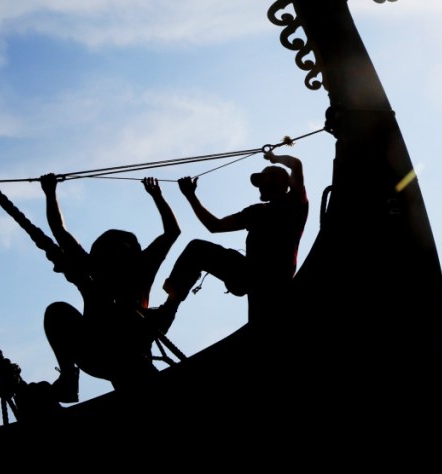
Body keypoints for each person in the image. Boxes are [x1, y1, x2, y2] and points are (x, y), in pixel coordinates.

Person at [40, 174, 180, 403]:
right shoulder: (106, 268)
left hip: (126, 350)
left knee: (57, 312)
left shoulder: (133, 268)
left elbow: (172, 232)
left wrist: (50, 192)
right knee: (57, 312)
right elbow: (59, 231)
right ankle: (68, 378)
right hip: (100, 350)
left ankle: (68, 377)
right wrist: (50, 193)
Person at [157, 150, 307, 328]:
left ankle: (167, 312)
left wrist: (274, 158)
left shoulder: (295, 202)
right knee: (197, 249)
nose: (259, 186)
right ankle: (168, 311)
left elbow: (296, 164)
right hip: (251, 275)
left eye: (263, 179)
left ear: (280, 180)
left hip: (274, 278)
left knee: (264, 323)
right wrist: (191, 196)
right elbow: (215, 226)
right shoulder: (256, 211)